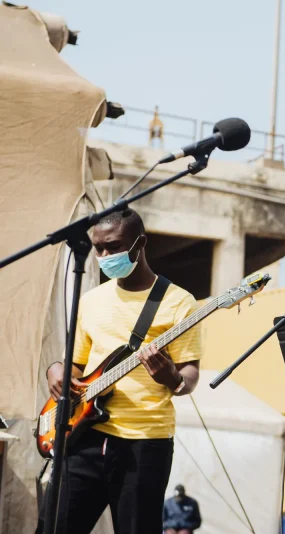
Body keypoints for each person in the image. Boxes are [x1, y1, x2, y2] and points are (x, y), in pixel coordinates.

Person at [38, 208, 201, 534]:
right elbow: (78, 365)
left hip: (144, 445)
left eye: (113, 246)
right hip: (83, 436)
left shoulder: (178, 303)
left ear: (140, 243)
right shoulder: (92, 300)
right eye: (98, 248)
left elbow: (190, 377)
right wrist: (55, 369)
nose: (104, 255)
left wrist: (168, 376)